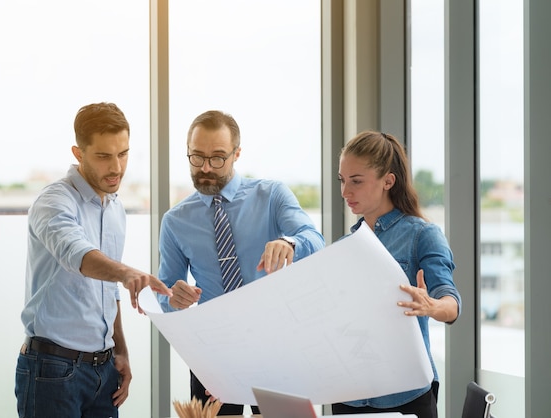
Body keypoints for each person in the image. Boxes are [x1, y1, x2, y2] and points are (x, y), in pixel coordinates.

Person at [156, 110, 326, 415]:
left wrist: (289, 243)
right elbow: (165, 289)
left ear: (237, 154)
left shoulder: (271, 195)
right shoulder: (175, 221)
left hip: (277, 351)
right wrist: (173, 297)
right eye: (197, 157)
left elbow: (314, 239)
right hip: (212, 356)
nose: (206, 167)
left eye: (218, 157)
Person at [15, 102, 172, 418]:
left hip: (104, 371)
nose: (116, 167)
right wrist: (127, 273)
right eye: (103, 156)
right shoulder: (54, 201)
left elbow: (107, 291)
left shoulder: (114, 208)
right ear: (78, 153)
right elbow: (79, 256)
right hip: (52, 371)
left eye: (123, 153)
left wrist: (121, 350)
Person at [332, 130, 462, 418]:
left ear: (388, 181)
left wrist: (431, 306)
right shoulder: (343, 247)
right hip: (348, 394)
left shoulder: (422, 235)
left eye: (356, 181)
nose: (345, 192)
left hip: (406, 396)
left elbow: (450, 306)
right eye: (342, 180)